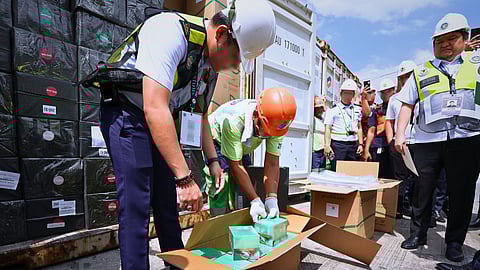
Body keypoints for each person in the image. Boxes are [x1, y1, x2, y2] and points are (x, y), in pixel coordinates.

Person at [81, 1, 277, 269]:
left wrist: (213, 162)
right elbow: (155, 107)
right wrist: (185, 178)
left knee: (166, 202)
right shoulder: (169, 31)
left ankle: (177, 264)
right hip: (128, 113)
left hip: (160, 120)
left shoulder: (208, 66)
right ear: (221, 34)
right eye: (234, 58)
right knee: (137, 204)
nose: (233, 66)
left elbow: (201, 114)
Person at [395, 13, 480, 262]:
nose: (444, 44)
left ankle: (454, 242)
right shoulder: (421, 71)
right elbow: (406, 104)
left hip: (467, 137)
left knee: (461, 193)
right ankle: (417, 234)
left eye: (451, 38)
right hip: (426, 140)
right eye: (439, 40)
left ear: (465, 39)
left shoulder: (476, 66)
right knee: (423, 190)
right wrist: (400, 134)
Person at [203, 88, 297, 221]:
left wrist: (271, 197)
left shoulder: (278, 125)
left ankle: (239, 218)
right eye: (266, 131)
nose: (268, 136)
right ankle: (217, 220)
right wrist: (255, 199)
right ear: (256, 116)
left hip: (240, 142)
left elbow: (272, 163)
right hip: (216, 138)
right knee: (221, 182)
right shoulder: (233, 121)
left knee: (246, 182)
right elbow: (236, 166)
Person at [385, 60, 417, 218]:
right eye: (403, 77)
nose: (406, 79)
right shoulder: (394, 99)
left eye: (409, 75)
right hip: (399, 144)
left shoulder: (423, 95)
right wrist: (391, 140)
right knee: (399, 177)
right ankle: (399, 208)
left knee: (418, 178)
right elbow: (389, 121)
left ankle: (417, 209)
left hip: (418, 142)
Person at [324, 79, 364, 170]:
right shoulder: (333, 110)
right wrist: (327, 145)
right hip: (338, 145)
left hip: (353, 145)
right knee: (337, 171)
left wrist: (361, 144)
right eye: (346, 93)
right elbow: (328, 128)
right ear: (341, 93)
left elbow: (359, 128)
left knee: (352, 171)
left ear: (354, 95)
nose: (348, 96)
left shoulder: (357, 110)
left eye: (350, 93)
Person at [363, 78, 395, 179]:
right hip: (379, 146)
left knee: (395, 175)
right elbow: (371, 131)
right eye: (383, 92)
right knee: (379, 175)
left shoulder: (400, 107)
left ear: (393, 90)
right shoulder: (377, 110)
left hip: (395, 146)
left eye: (388, 91)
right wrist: (366, 150)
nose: (386, 94)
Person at [312, 96, 327, 171]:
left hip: (322, 151)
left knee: (322, 171)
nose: (320, 110)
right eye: (318, 108)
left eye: (321, 108)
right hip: (315, 151)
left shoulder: (323, 120)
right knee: (315, 171)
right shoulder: (312, 119)